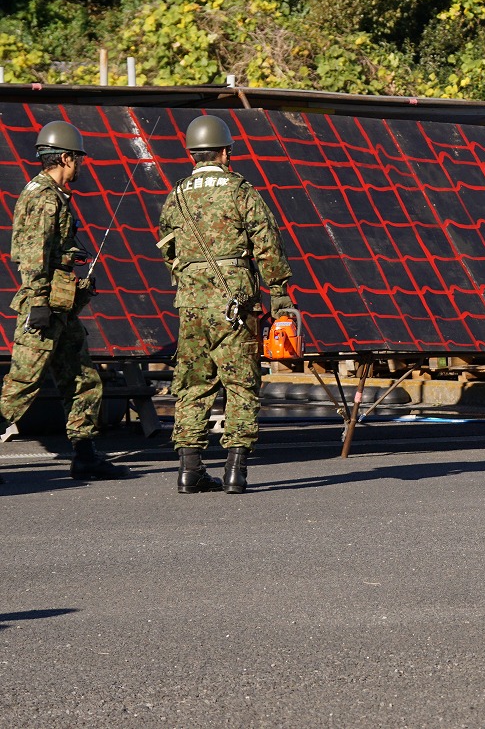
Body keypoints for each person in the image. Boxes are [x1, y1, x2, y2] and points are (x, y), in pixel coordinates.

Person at [158, 114, 293, 493]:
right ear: (224, 152)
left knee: (191, 383)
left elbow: (167, 248)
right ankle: (236, 469)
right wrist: (279, 293)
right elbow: (267, 242)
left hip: (191, 302)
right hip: (235, 300)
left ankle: (189, 470)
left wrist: (187, 281)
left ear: (193, 153)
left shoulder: (176, 195)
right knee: (241, 382)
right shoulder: (241, 191)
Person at [0, 121, 130, 481]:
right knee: (22, 383)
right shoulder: (44, 197)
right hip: (45, 306)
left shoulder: (50, 194)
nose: (80, 166)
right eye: (78, 159)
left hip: (61, 306)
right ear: (66, 158)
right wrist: (39, 301)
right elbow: (33, 253)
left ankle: (85, 455)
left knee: (83, 378)